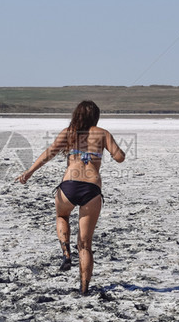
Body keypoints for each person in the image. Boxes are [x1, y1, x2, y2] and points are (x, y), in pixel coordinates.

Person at [17, 100, 125, 295]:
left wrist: (29, 172)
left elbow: (48, 153)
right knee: (85, 244)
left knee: (62, 216)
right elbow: (120, 158)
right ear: (96, 116)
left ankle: (66, 253)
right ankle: (84, 289)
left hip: (69, 185)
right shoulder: (102, 133)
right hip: (92, 189)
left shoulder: (69, 132)